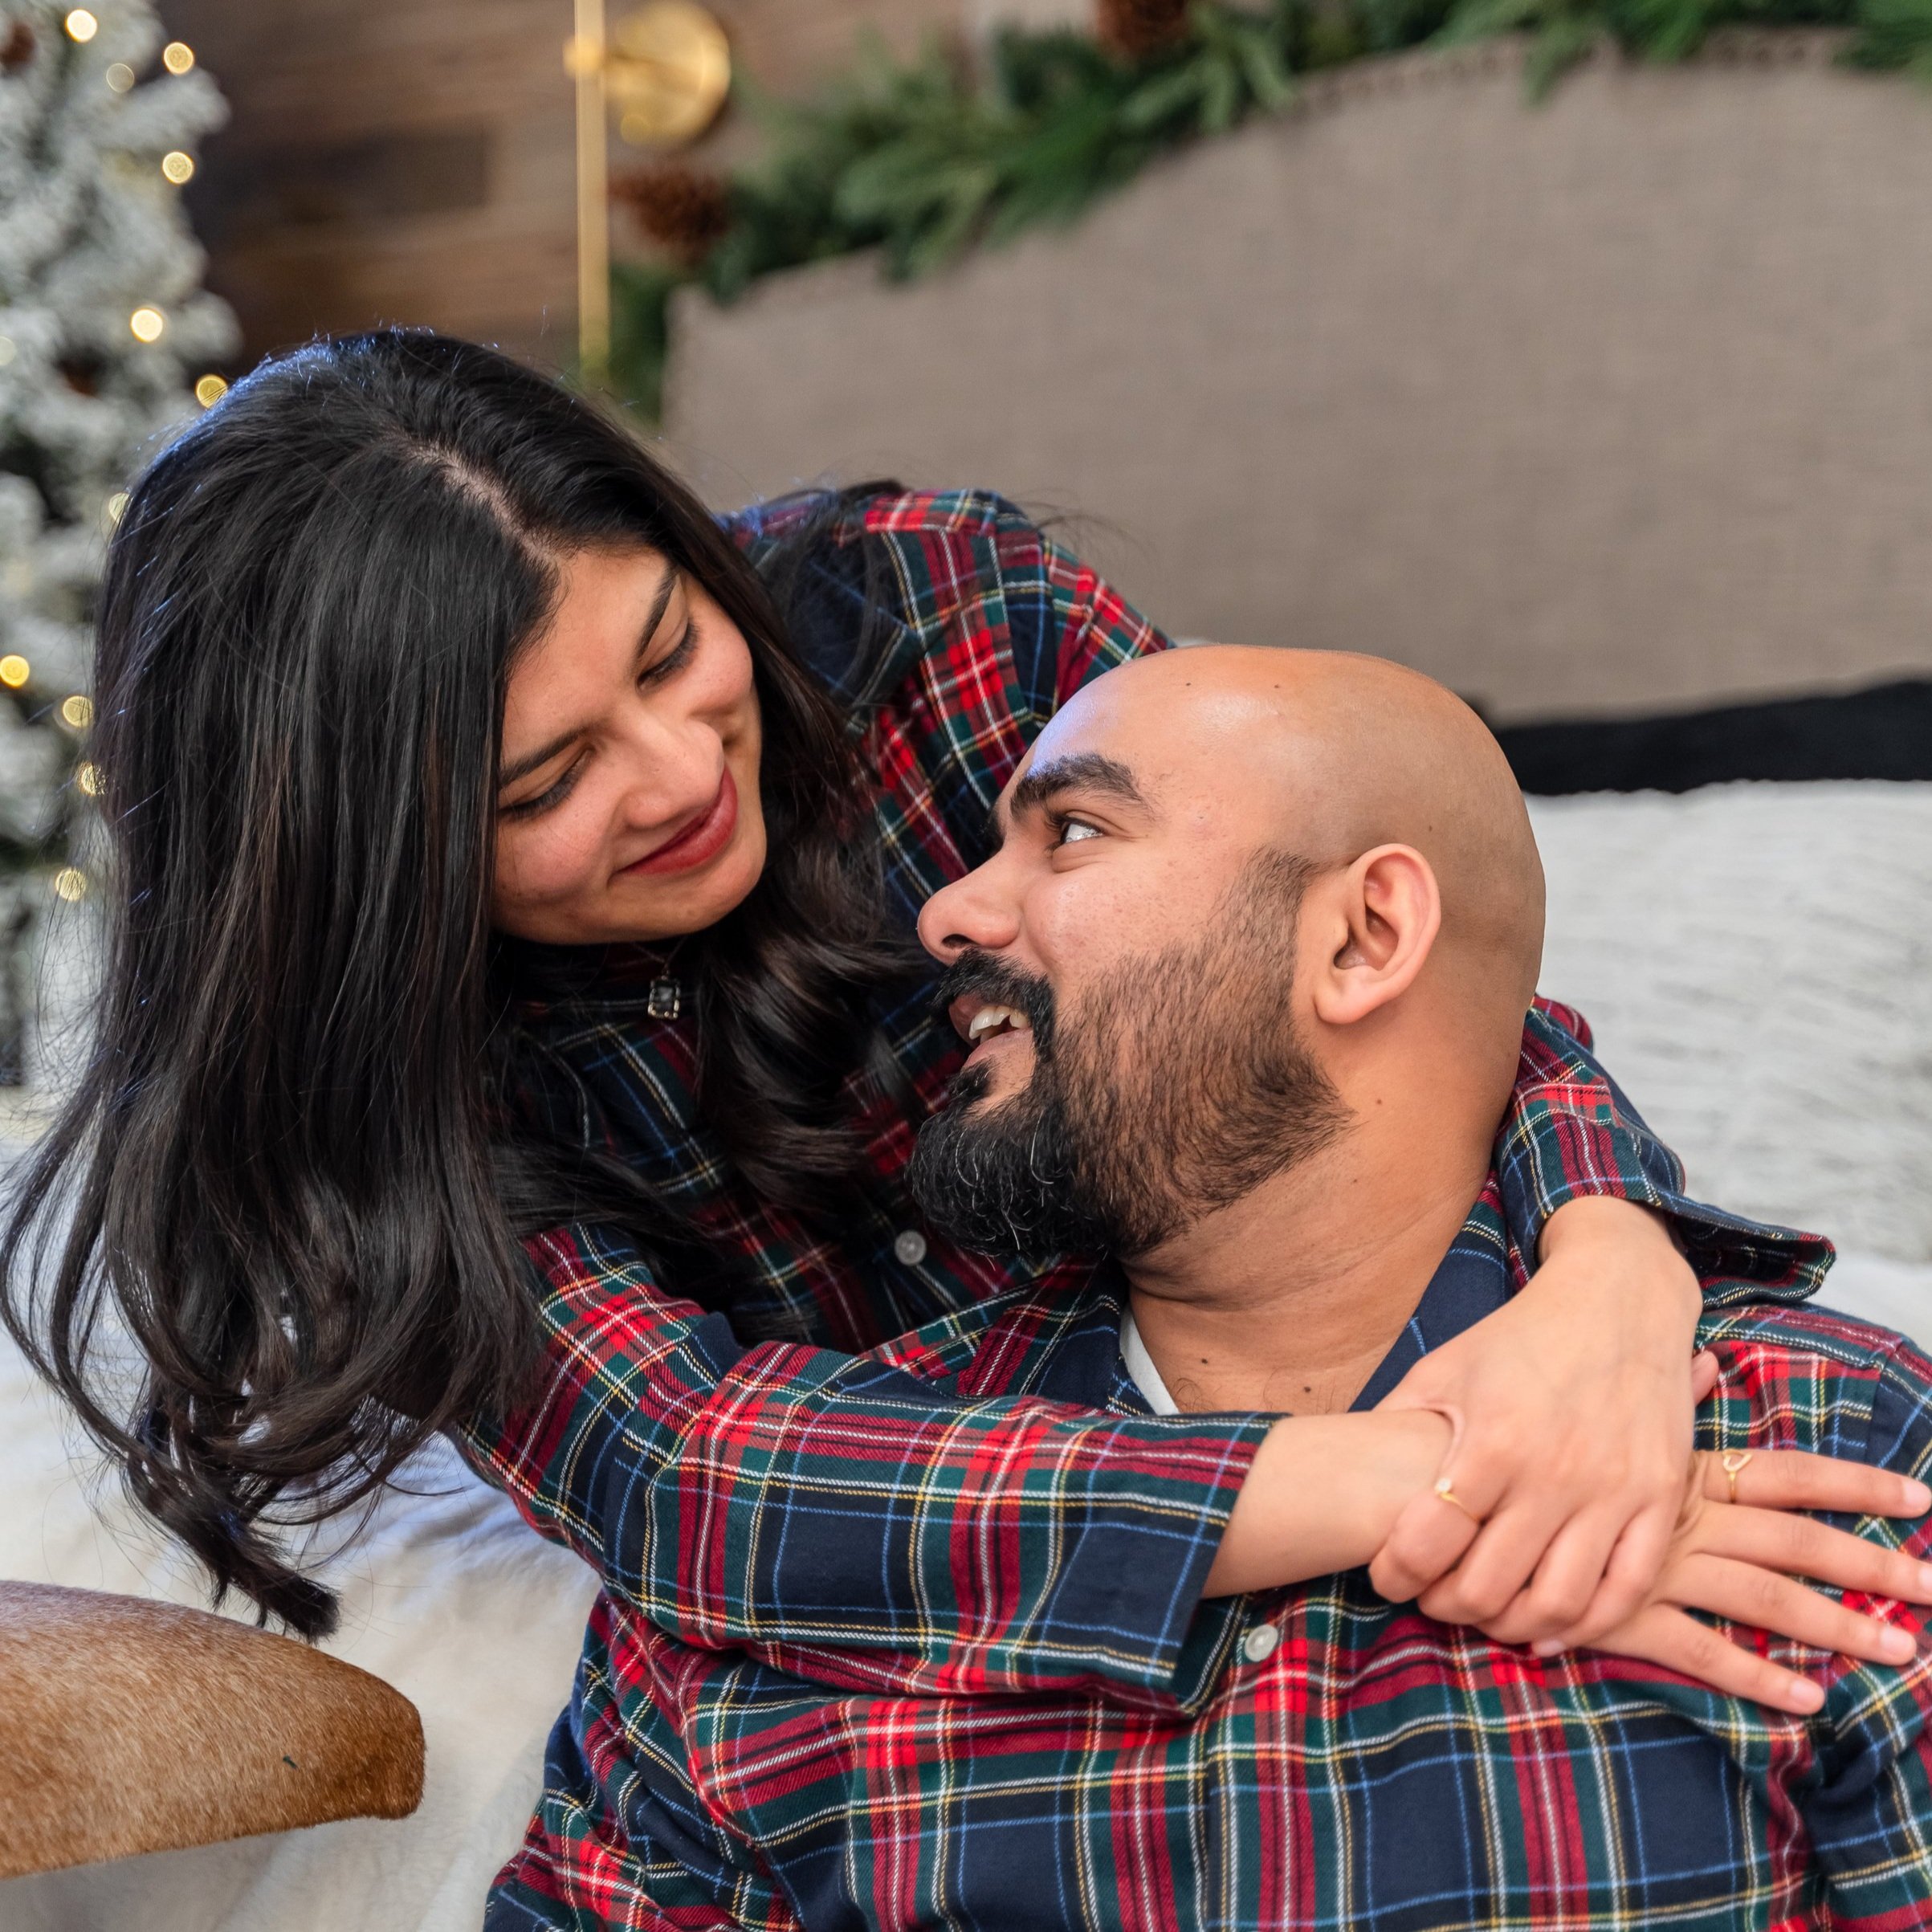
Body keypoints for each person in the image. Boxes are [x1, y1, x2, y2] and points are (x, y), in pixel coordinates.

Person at [0, 332, 1844, 1869]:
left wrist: (1616, 1261)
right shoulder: (370, 1099)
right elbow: (691, 1469)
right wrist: (1429, 1485)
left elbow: (1344, 932)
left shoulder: (932, 619)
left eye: (666, 650)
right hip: (976, 1501)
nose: (672, 774)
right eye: (544, 781)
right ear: (370, 870)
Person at [483, 646, 1932, 1930]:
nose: (943, 913)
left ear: (1362, 937)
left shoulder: (1838, 1455)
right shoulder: (797, 1567)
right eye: (539, 776)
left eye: (1072, 830)